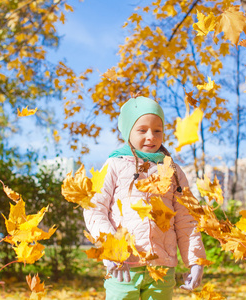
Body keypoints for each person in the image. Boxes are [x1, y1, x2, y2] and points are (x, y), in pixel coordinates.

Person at [83, 96, 206, 300]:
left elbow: (187, 220)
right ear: (127, 132)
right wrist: (112, 248)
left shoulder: (173, 171)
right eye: (142, 130)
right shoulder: (114, 165)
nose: (151, 136)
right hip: (123, 265)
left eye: (157, 130)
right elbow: (95, 210)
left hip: (162, 267)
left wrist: (195, 261)